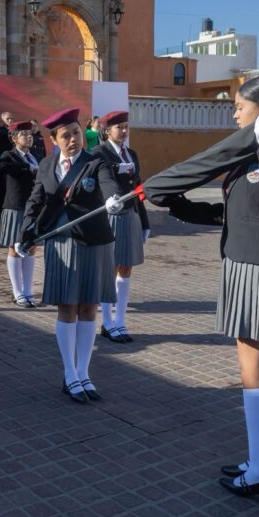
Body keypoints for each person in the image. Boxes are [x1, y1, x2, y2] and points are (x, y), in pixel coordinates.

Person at [163, 75, 259, 509]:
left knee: (251, 366)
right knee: (258, 365)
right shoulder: (256, 146)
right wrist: (180, 206)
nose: (234, 114)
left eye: (239, 106)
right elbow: (243, 210)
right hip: (245, 258)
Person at [15, 107, 121, 404]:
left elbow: (108, 183)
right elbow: (35, 201)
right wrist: (25, 233)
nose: (74, 139)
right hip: (61, 243)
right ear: (54, 140)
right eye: (66, 136)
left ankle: (84, 372)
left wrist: (113, 199)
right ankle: (69, 373)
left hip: (94, 242)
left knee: (88, 308)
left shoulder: (96, 161)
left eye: (76, 133)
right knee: (67, 308)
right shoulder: (47, 165)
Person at [92, 111, 150, 343]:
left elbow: (138, 188)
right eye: (119, 127)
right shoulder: (99, 153)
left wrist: (144, 221)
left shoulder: (131, 154)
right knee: (110, 268)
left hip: (131, 215)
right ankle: (107, 322)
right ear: (107, 131)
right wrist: (113, 197)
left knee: (126, 268)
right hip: (112, 214)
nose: (124, 131)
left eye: (126, 126)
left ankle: (120, 320)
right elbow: (106, 180)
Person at [0, 121, 39, 307]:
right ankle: (17, 292)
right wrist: (25, 168)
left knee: (31, 247)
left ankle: (28, 291)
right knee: (15, 248)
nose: (28, 137)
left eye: (30, 134)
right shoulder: (9, 155)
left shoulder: (34, 156)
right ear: (14, 138)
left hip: (33, 208)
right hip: (15, 207)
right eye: (23, 134)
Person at [0, 111, 15, 207]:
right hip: (3, 162)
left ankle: (11, 206)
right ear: (3, 120)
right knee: (3, 185)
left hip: (14, 162)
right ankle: (2, 208)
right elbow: (1, 134)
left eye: (11, 118)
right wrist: (12, 130)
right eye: (8, 119)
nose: (10, 120)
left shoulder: (15, 130)